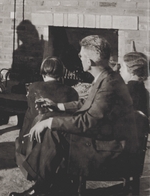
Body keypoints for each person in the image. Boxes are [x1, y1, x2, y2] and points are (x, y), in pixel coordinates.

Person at [9, 35, 136, 196]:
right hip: (106, 138)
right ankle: (48, 183)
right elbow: (87, 104)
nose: (79, 57)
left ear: (89, 62)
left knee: (53, 128)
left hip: (109, 149)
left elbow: (88, 121)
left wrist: (50, 122)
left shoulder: (108, 84)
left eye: (81, 55)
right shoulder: (106, 78)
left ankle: (41, 186)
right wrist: (58, 106)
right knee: (54, 125)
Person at [15, 57, 79, 171]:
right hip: (59, 135)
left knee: (29, 114)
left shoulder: (33, 87)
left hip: (33, 135)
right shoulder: (72, 92)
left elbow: (31, 113)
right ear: (61, 74)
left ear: (43, 73)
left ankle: (22, 148)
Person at [119, 51, 149, 117]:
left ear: (132, 71)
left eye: (123, 67)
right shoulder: (141, 87)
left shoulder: (126, 90)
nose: (120, 70)